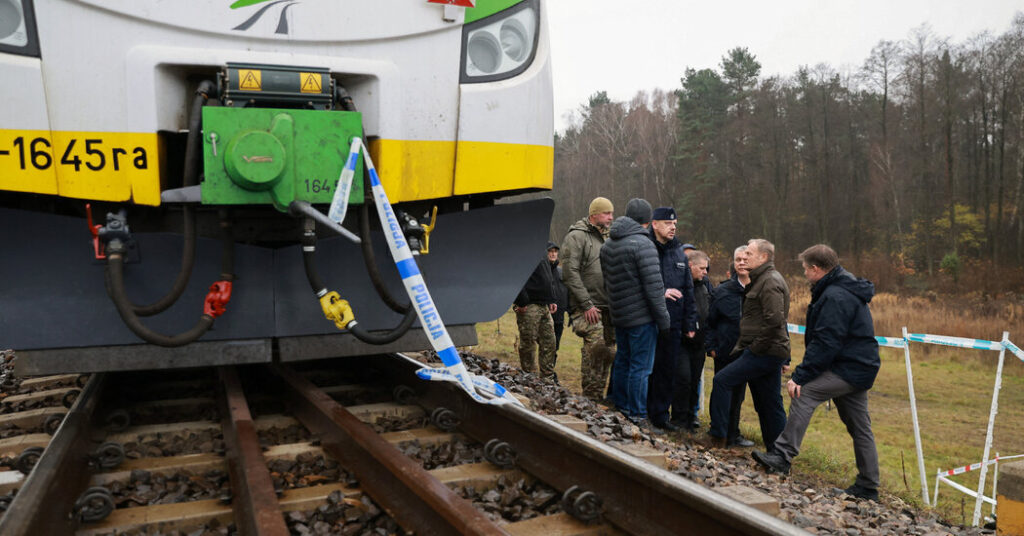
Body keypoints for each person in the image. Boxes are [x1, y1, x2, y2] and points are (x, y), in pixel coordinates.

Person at [752, 244, 881, 501]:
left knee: (805, 392)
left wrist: (800, 376)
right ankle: (868, 486)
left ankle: (782, 456)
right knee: (860, 426)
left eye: (805, 269)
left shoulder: (835, 296)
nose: (804, 274)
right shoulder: (841, 288)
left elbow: (826, 342)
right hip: (858, 366)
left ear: (815, 268)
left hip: (849, 367)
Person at [707, 238, 790, 449]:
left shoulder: (769, 281)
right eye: (742, 255)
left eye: (749, 254)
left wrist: (754, 348)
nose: (745, 257)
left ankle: (718, 438)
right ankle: (777, 452)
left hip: (764, 352)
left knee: (722, 380)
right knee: (768, 402)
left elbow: (775, 321)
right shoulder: (760, 279)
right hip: (766, 350)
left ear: (763, 257)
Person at [600, 198, 670, 429]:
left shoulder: (608, 245)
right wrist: (664, 320)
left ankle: (620, 405)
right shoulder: (644, 245)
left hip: (619, 315)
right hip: (642, 318)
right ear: (647, 221)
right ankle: (637, 414)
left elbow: (607, 283)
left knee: (623, 360)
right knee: (641, 368)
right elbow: (654, 288)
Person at [645, 207, 697, 431]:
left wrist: (690, 322)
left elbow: (688, 289)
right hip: (648, 320)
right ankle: (641, 412)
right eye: (668, 223)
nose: (673, 227)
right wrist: (661, 293)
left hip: (673, 323)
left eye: (675, 224)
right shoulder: (646, 248)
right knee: (647, 369)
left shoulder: (678, 252)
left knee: (667, 371)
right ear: (654, 224)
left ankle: (660, 416)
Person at [561, 197, 616, 400]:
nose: (611, 217)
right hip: (587, 306)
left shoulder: (611, 237)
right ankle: (590, 398)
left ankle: (598, 397)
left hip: (608, 306)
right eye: (606, 213)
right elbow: (570, 273)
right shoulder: (576, 236)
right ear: (594, 214)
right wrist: (586, 304)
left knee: (609, 352)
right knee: (596, 348)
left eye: (611, 213)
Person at [706, 247, 755, 447]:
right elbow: (710, 321)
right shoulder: (722, 291)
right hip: (725, 350)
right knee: (722, 392)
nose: (741, 263)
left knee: (739, 395)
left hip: (750, 352)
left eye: (745, 259)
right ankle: (718, 433)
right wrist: (711, 346)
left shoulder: (762, 289)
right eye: (738, 259)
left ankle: (733, 434)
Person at [674, 249, 710, 431]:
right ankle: (678, 418)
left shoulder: (704, 286)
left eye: (706, 269)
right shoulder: (679, 285)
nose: (705, 272)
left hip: (699, 344)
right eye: (702, 268)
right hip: (682, 342)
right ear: (690, 266)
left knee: (695, 380)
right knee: (683, 379)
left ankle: (691, 417)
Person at [513, 253, 558, 380]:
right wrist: (521, 301)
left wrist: (552, 298)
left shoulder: (541, 248)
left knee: (549, 342)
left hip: (544, 304)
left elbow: (548, 276)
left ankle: (547, 378)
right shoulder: (522, 249)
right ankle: (529, 377)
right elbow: (515, 274)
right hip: (529, 305)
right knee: (528, 342)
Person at [547, 241, 569, 356]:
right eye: (550, 251)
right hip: (543, 315)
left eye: (555, 251)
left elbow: (567, 292)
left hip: (559, 316)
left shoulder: (561, 272)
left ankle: (551, 366)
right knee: (544, 346)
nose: (553, 254)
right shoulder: (540, 271)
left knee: (555, 346)